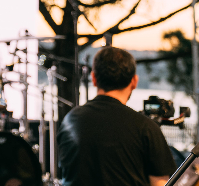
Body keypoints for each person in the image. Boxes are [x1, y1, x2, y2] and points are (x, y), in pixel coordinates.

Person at [57, 46, 175, 186]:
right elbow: (160, 183)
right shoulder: (146, 127)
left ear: (94, 78)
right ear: (134, 81)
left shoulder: (70, 121)